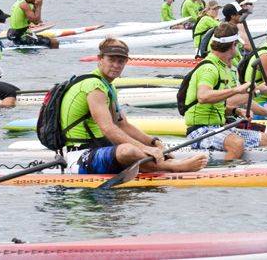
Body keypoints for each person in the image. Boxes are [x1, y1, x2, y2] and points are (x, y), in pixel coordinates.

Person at [61, 39, 207, 175]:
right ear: (100, 59)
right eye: (111, 60)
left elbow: (122, 125)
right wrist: (145, 148)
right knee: (127, 150)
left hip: (99, 150)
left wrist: (154, 143)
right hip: (80, 157)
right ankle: (172, 166)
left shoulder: (107, 85)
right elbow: (108, 128)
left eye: (121, 61)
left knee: (135, 149)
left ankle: (168, 163)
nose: (116, 65)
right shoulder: (94, 86)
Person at [184, 23, 267, 160]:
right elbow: (203, 97)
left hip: (219, 127)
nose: (239, 48)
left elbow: (229, 102)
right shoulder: (209, 68)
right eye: (237, 45)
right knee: (237, 143)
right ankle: (226, 172)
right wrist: (246, 90)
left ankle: (248, 169)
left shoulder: (227, 69)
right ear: (232, 45)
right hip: (200, 130)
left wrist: (236, 111)